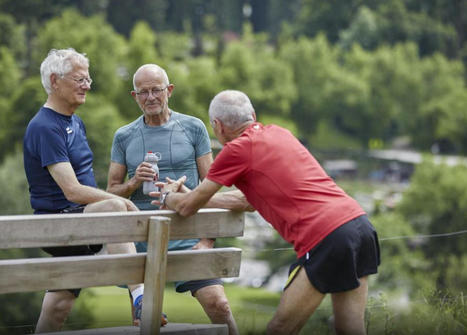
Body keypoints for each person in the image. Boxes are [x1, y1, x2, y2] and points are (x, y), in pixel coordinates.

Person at [156, 90, 381, 335]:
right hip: (359, 225)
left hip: (327, 236)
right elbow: (249, 201)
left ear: (217, 126)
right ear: (252, 115)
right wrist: (194, 198)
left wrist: (168, 196)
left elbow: (187, 207)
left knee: (280, 328)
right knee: (349, 327)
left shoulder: (235, 150)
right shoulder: (279, 133)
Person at [106, 64, 239, 334]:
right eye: (143, 92)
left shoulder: (193, 127)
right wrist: (133, 182)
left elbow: (210, 185)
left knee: (219, 305)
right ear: (134, 96)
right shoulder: (124, 136)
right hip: (141, 237)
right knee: (145, 322)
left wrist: (206, 241)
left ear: (169, 91)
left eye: (156, 90)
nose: (151, 97)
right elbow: (110, 192)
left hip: (188, 234)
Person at [23, 48, 146, 333]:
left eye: (88, 79)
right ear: (55, 81)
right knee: (115, 208)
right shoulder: (45, 126)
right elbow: (72, 191)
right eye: (80, 79)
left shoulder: (75, 122)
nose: (87, 85)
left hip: (81, 221)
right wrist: (120, 201)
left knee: (58, 308)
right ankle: (141, 297)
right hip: (61, 223)